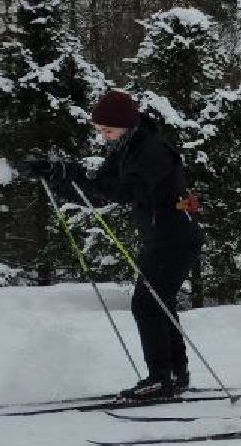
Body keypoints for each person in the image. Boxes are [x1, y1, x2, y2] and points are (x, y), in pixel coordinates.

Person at [25, 89, 204, 401]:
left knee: (147, 305)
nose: (104, 136)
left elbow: (125, 192)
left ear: (126, 124)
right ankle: (174, 373)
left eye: (108, 129)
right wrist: (60, 175)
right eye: (100, 130)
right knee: (161, 304)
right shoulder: (125, 147)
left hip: (174, 238)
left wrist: (75, 173)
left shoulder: (152, 149)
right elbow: (97, 191)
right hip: (161, 238)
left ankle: (161, 377)